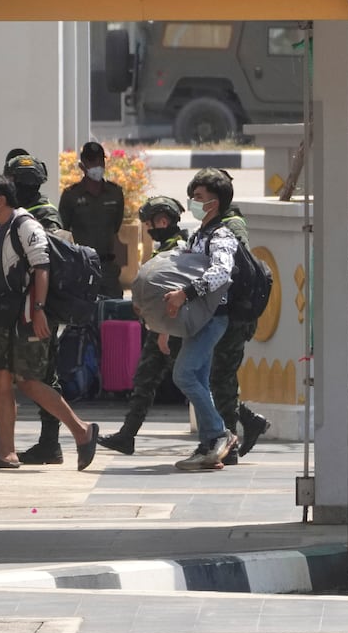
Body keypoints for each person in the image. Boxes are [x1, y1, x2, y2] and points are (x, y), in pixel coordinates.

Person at [0, 171, 98, 471]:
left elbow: (42, 267)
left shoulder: (26, 224)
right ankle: (7, 452)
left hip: (28, 316)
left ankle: (82, 431)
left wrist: (40, 309)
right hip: (4, 316)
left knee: (29, 382)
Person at [0, 151, 68, 463]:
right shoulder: (2, 217)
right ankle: (0, 440)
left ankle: (52, 442)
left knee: (40, 377)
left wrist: (37, 308)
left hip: (35, 312)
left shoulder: (39, 216)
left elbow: (43, 265)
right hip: (8, 310)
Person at [192, 169, 271, 465]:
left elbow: (238, 265)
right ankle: (247, 423)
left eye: (200, 197)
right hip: (215, 313)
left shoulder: (230, 225)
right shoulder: (206, 226)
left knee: (221, 378)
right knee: (215, 377)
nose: (195, 202)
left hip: (234, 314)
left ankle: (230, 444)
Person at [99, 196, 187, 455]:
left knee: (193, 380)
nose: (148, 230)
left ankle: (239, 423)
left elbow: (171, 293)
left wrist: (163, 332)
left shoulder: (177, 249)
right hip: (161, 327)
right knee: (145, 380)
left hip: (169, 328)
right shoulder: (171, 246)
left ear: (162, 220)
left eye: (149, 224)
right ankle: (127, 435)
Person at [164, 173, 238, 471]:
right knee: (200, 380)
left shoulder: (222, 236)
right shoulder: (199, 235)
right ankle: (210, 448)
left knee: (183, 375)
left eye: (198, 197)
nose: (193, 202)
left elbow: (222, 272)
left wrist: (186, 293)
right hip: (198, 318)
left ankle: (221, 433)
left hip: (212, 317)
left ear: (214, 203)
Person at [58, 140, 127, 298]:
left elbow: (116, 226)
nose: (97, 165)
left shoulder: (115, 193)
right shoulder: (71, 195)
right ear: (82, 165)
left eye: (100, 160)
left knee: (113, 314)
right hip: (81, 266)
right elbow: (63, 231)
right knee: (81, 316)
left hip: (107, 266)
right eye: (91, 161)